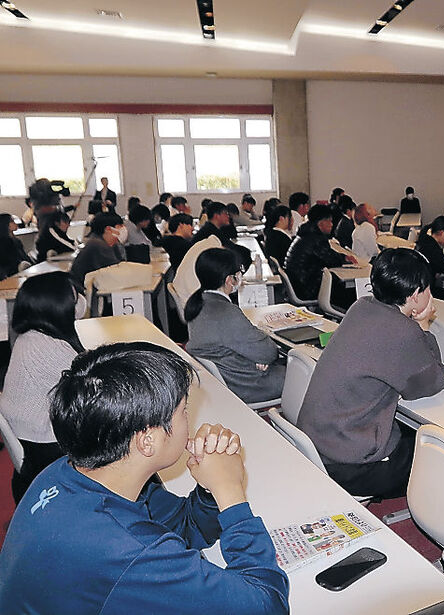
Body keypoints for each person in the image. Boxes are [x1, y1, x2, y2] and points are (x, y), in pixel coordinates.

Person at [0, 342, 289, 613]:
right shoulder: (127, 552)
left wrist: (210, 488)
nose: (190, 421)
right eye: (184, 411)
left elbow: (184, 528)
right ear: (148, 440)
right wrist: (230, 491)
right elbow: (266, 603)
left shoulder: (72, 471)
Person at [297, 248, 444, 498]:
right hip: (351, 463)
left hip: (316, 443)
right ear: (416, 294)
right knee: (441, 458)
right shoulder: (403, 331)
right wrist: (423, 325)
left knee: (411, 433)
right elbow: (431, 381)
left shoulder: (361, 307)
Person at [0, 271, 84, 502]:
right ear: (56, 306)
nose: (78, 303)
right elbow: (91, 386)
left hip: (33, 440)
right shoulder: (45, 346)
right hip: (46, 448)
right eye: (73, 298)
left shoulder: (31, 337)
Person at [185, 249, 285, 404]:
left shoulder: (197, 305)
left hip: (228, 378)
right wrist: (260, 356)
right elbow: (270, 352)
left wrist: (258, 355)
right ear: (229, 280)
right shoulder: (226, 312)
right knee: (304, 374)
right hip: (248, 384)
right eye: (239, 273)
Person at [284, 203, 353, 301]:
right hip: (307, 289)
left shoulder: (304, 234)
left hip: (298, 285)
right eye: (329, 221)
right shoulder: (316, 239)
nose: (332, 225)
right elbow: (331, 259)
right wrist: (344, 258)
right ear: (320, 223)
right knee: (349, 290)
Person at [70, 211, 126, 292]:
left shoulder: (110, 243)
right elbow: (115, 273)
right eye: (120, 227)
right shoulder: (97, 245)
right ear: (108, 229)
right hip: (82, 292)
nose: (123, 229)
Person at [414, 215, 444, 304]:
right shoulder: (432, 247)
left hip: (419, 286)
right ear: (442, 232)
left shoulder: (424, 240)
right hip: (426, 290)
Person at [0, 212, 32, 278]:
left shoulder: (16, 241)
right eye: (12, 221)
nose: (15, 223)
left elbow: (24, 257)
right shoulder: (3, 243)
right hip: (13, 274)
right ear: (5, 225)